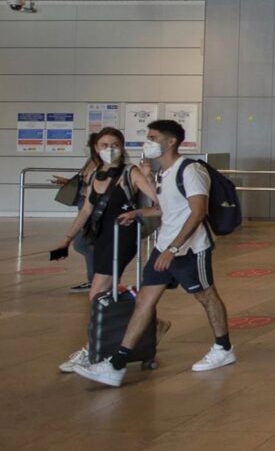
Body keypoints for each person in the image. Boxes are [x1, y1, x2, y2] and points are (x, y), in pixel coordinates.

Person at [73, 120, 235, 387]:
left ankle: (223, 348)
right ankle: (116, 364)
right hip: (164, 247)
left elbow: (198, 212)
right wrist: (138, 212)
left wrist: (174, 248)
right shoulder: (163, 172)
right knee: (144, 301)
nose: (148, 142)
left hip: (190, 249)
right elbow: (165, 208)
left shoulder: (190, 170)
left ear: (171, 142)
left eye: (153, 138)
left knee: (206, 296)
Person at [53, 128, 159, 372]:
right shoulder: (95, 174)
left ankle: (93, 349)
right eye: (104, 145)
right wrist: (67, 239)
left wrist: (147, 182)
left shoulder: (130, 172)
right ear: (96, 148)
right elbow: (86, 210)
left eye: (115, 144)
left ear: (122, 147)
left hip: (122, 237)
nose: (109, 149)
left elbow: (158, 201)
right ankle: (142, 329)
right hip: (101, 238)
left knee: (97, 293)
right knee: (102, 293)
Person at [51, 133, 100, 293]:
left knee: (82, 243)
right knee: (83, 243)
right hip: (83, 202)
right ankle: (95, 279)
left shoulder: (102, 164)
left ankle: (96, 280)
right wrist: (67, 182)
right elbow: (84, 183)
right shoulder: (91, 161)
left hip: (91, 206)